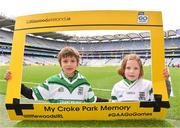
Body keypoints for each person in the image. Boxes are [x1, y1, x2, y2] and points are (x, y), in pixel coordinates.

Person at [5, 46, 108, 103]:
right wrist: (14, 81)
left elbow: (93, 100)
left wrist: (110, 102)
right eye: (65, 61)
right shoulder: (52, 81)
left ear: (77, 63)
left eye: (72, 61)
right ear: (60, 63)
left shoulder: (84, 83)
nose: (69, 64)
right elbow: (31, 94)